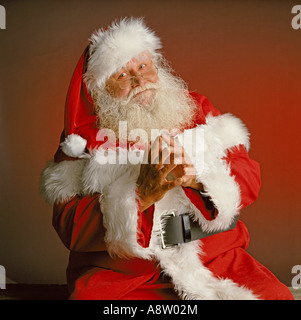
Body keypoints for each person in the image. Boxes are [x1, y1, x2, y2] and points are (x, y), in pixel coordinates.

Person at [40, 17, 294, 300]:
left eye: (143, 67)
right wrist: (140, 195)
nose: (139, 81)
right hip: (125, 275)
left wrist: (196, 178)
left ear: (156, 67)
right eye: (121, 75)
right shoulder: (81, 141)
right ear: (99, 90)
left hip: (213, 260)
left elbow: (247, 176)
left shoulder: (196, 109)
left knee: (275, 297)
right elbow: (69, 226)